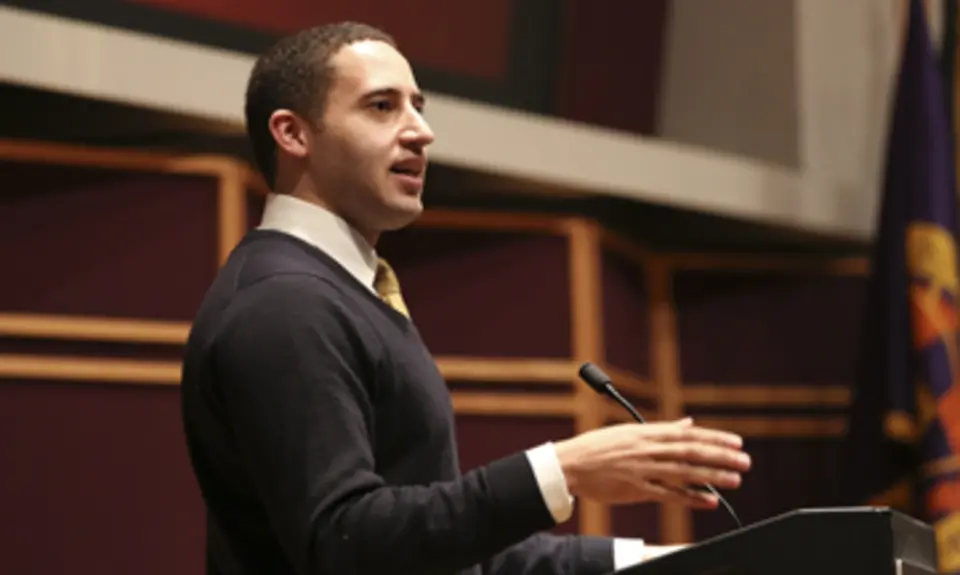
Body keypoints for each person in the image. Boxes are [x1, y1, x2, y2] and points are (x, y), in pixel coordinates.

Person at [179, 21, 752, 575]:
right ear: (293, 134)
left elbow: (438, 554)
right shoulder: (285, 304)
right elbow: (346, 543)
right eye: (382, 106)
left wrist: (654, 564)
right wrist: (561, 471)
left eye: (418, 106)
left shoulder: (342, 291)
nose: (420, 132)